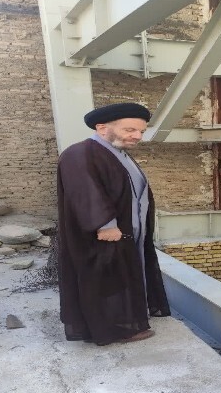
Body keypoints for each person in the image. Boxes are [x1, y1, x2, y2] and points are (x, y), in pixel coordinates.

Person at [57, 102, 171, 346]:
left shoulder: (118, 153)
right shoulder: (80, 153)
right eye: (130, 130)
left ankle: (129, 320)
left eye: (141, 131)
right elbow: (84, 191)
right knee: (106, 281)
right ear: (102, 128)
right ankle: (115, 330)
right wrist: (104, 224)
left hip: (128, 234)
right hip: (105, 234)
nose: (137, 136)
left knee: (123, 278)